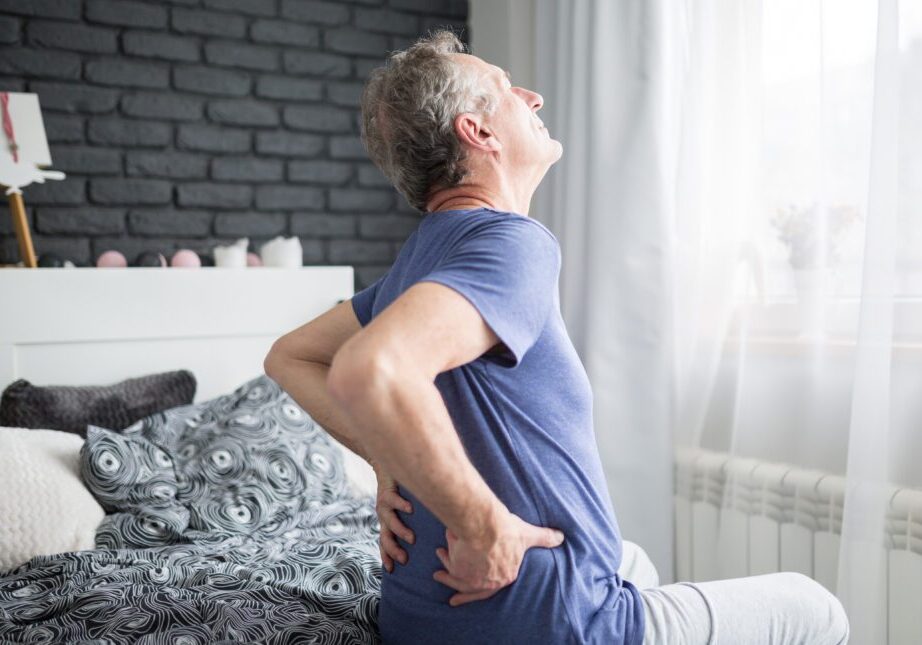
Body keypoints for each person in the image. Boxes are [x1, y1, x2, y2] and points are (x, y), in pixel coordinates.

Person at [264, 29, 850, 645]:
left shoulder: (418, 261)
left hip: (430, 622)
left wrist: (388, 457)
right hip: (551, 621)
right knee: (817, 607)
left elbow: (289, 356)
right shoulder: (510, 242)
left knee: (635, 560)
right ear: (479, 133)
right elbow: (373, 369)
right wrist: (485, 527)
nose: (533, 96)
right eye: (503, 87)